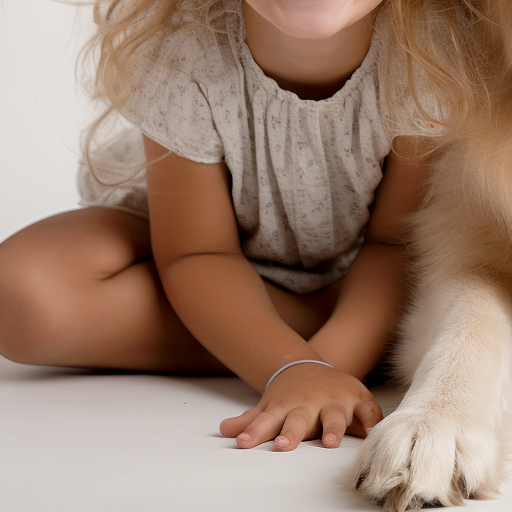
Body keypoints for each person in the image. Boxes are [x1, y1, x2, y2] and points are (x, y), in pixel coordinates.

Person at [0, 0, 482, 451]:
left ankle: (322, 334)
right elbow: (197, 253)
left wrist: (325, 368)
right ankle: (339, 337)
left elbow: (392, 246)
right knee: (19, 293)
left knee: (425, 276)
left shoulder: (429, 52)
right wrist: (294, 367)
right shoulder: (185, 45)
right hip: (191, 241)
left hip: (361, 265)